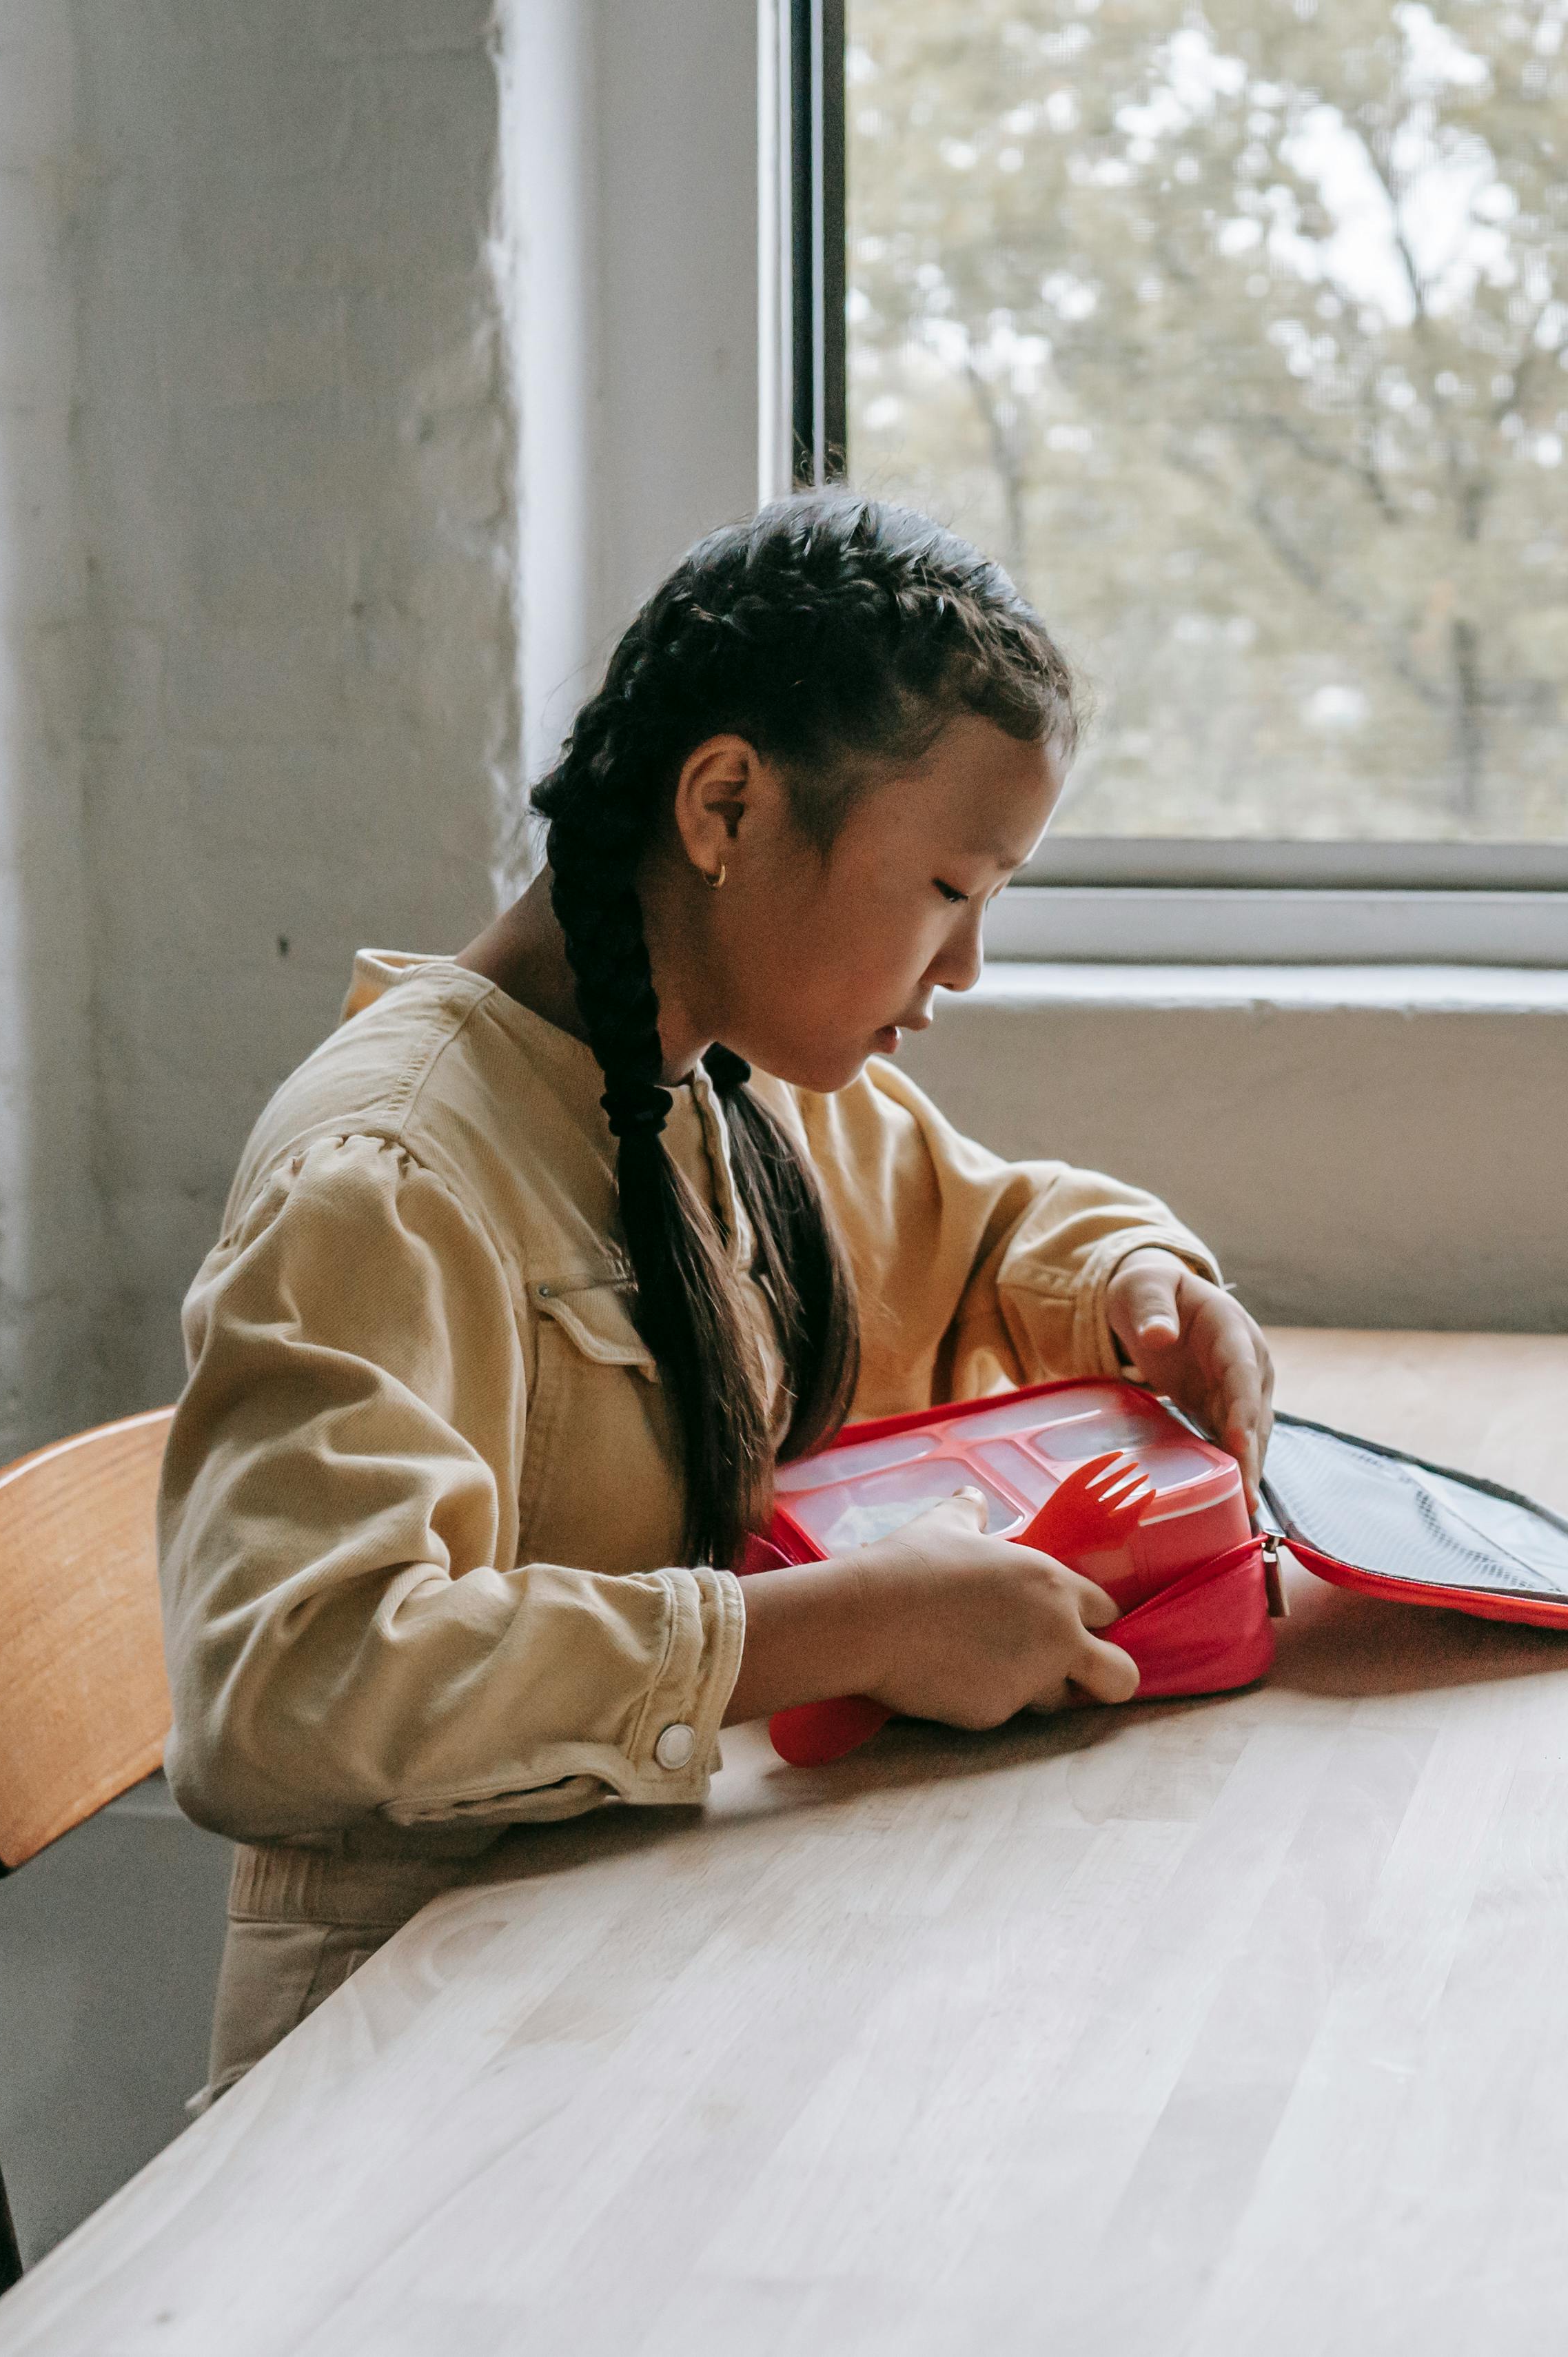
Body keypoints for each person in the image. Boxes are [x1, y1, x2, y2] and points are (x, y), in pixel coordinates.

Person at [159, 494, 1274, 2096]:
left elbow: (986, 1234)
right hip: (399, 2052)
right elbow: (295, 1687)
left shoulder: (731, 1087)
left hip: (635, 1966)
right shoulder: (387, 1177)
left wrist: (1144, 1284)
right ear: (726, 805)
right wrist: (840, 1630)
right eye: (952, 888)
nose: (966, 967)